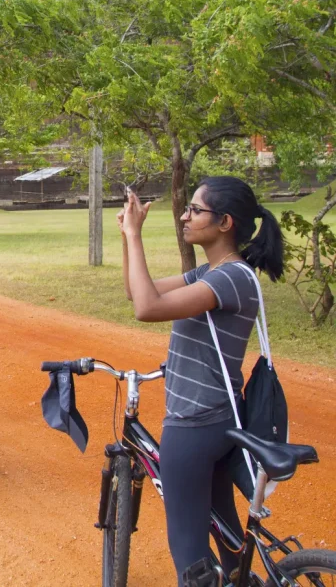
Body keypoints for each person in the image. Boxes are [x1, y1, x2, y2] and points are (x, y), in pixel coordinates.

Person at [118, 176, 284, 586]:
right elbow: (137, 291)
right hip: (217, 420)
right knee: (228, 545)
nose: (184, 216)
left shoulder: (229, 278)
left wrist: (136, 235)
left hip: (194, 424)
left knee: (190, 554)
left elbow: (146, 307)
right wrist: (127, 236)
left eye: (195, 210)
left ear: (225, 222)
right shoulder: (215, 273)